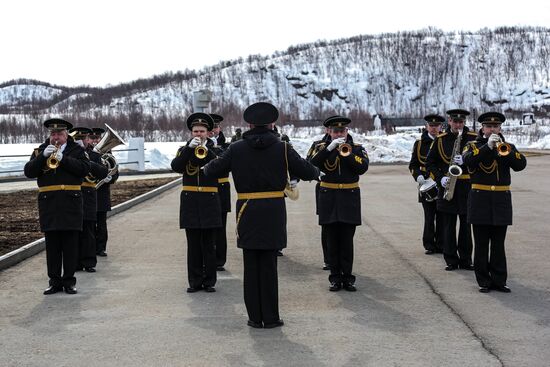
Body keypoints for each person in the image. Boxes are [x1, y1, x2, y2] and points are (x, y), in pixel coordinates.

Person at [203, 102, 319, 328]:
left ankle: (254, 317)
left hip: (246, 210)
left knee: (251, 264)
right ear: (272, 124)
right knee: (268, 265)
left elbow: (210, 171)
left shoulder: (236, 148)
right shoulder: (283, 148)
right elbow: (309, 171)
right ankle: (271, 317)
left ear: (249, 124)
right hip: (273, 211)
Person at [24, 118, 90, 295]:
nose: (56, 137)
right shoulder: (40, 150)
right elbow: (28, 172)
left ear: (66, 134)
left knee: (70, 244)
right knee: (52, 246)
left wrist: (64, 159)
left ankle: (69, 281)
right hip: (49, 203)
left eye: (60, 134)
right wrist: (43, 157)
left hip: (71, 203)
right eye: (53, 134)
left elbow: (84, 169)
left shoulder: (77, 150)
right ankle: (54, 281)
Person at [463, 112, 526, 293]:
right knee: (481, 244)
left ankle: (499, 280)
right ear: (482, 128)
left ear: (500, 128)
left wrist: (506, 151)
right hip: (480, 199)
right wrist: (487, 148)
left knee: (499, 244)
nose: (492, 129)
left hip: (500, 201)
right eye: (489, 126)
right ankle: (484, 281)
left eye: (495, 126)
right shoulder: (472, 145)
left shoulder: (508, 146)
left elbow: (521, 165)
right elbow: (468, 161)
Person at [310, 115, 369, 292]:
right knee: (331, 240)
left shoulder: (356, 148)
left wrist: (347, 153)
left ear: (347, 131)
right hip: (328, 196)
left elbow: (363, 167)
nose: (338, 134)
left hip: (349, 197)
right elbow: (311, 165)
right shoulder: (319, 147)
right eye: (335, 131)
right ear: (328, 131)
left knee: (346, 240)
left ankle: (348, 278)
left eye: (341, 131)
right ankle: (335, 278)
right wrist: (329, 149)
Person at [171, 113, 221, 293]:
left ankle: (209, 282)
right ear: (191, 133)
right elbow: (176, 167)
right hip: (191, 201)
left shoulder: (216, 150)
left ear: (208, 133)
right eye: (195, 131)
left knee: (209, 244)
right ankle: (194, 281)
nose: (198, 134)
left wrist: (210, 150)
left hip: (209, 200)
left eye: (202, 131)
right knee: (193, 245)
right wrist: (188, 150)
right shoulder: (184, 149)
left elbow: (220, 168)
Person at [426, 109, 477, 271]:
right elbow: (430, 163)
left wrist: (467, 161)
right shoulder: (441, 140)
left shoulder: (473, 139)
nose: (458, 125)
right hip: (447, 186)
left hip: (467, 187)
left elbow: (480, 162)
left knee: (465, 226)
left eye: (461, 122)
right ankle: (451, 259)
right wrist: (440, 177)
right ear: (449, 122)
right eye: (455, 122)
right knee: (448, 226)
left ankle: (466, 259)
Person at [69, 127, 108, 273]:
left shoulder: (94, 155)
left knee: (89, 230)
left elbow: (103, 172)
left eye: (84, 139)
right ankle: (77, 262)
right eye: (78, 139)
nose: (82, 142)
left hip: (89, 194)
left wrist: (87, 163)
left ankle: (89, 262)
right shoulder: (69, 155)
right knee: (75, 231)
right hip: (73, 194)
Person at [409, 114, 444, 255]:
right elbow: (413, 164)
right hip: (426, 183)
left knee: (442, 216)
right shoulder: (419, 144)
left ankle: (442, 244)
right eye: (431, 125)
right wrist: (417, 175)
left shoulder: (445, 141)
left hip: (441, 182)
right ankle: (429, 244)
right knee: (429, 216)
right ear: (426, 126)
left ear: (441, 127)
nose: (434, 128)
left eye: (437, 126)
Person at [91, 127, 119, 257]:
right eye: (92, 138)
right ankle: (90, 248)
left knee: (101, 222)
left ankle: (101, 248)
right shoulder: (85, 152)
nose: (95, 140)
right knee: (89, 223)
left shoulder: (107, 152)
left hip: (101, 193)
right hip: (88, 192)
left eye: (97, 138)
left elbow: (115, 172)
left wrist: (110, 178)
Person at [306, 128, 331, 269]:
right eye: (333, 128)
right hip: (324, 188)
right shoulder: (317, 145)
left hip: (344, 190)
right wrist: (316, 175)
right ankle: (328, 259)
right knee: (326, 226)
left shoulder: (351, 145)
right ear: (327, 130)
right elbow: (308, 164)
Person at [209, 113, 231, 271]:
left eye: (215, 127)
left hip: (222, 189)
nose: (214, 130)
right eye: (211, 128)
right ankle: (207, 258)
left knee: (220, 226)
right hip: (206, 190)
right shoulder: (197, 144)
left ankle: (219, 259)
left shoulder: (228, 146)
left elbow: (226, 164)